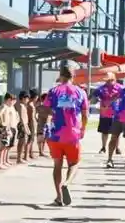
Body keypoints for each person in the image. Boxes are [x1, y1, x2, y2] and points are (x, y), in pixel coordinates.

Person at [44, 62, 89, 206]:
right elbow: (85, 114)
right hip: (72, 134)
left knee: (57, 165)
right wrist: (83, 129)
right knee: (74, 164)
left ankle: (58, 196)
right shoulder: (81, 92)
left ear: (60, 74)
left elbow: (45, 110)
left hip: (55, 134)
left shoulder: (53, 91)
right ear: (73, 75)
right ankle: (67, 183)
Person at [93, 73, 122, 153]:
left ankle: (117, 148)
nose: (108, 82)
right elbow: (95, 96)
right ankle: (103, 147)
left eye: (110, 80)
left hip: (116, 114)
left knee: (116, 133)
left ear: (114, 79)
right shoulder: (101, 88)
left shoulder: (120, 88)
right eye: (107, 80)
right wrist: (98, 101)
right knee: (104, 132)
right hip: (104, 113)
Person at [0, 93, 16, 169]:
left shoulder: (9, 107)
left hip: (8, 127)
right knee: (3, 147)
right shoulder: (4, 106)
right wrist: (2, 121)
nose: (13, 102)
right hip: (4, 127)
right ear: (8, 100)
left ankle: (3, 161)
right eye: (12, 100)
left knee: (6, 146)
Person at [16, 90, 31, 164]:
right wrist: (25, 127)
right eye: (26, 98)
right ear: (22, 98)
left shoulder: (24, 106)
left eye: (28, 98)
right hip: (22, 125)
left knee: (23, 141)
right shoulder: (21, 106)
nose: (27, 100)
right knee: (21, 141)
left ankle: (20, 157)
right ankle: (19, 158)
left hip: (25, 124)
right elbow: (22, 117)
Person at [36, 92, 51, 157]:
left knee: (45, 138)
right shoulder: (39, 107)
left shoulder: (49, 107)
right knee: (40, 138)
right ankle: (40, 152)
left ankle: (42, 151)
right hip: (41, 124)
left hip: (47, 124)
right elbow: (34, 114)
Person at [27, 88, 39, 159]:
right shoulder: (31, 105)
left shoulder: (30, 104)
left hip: (32, 122)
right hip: (31, 123)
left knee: (31, 139)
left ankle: (30, 153)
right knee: (31, 139)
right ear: (35, 96)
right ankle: (29, 153)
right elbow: (31, 117)